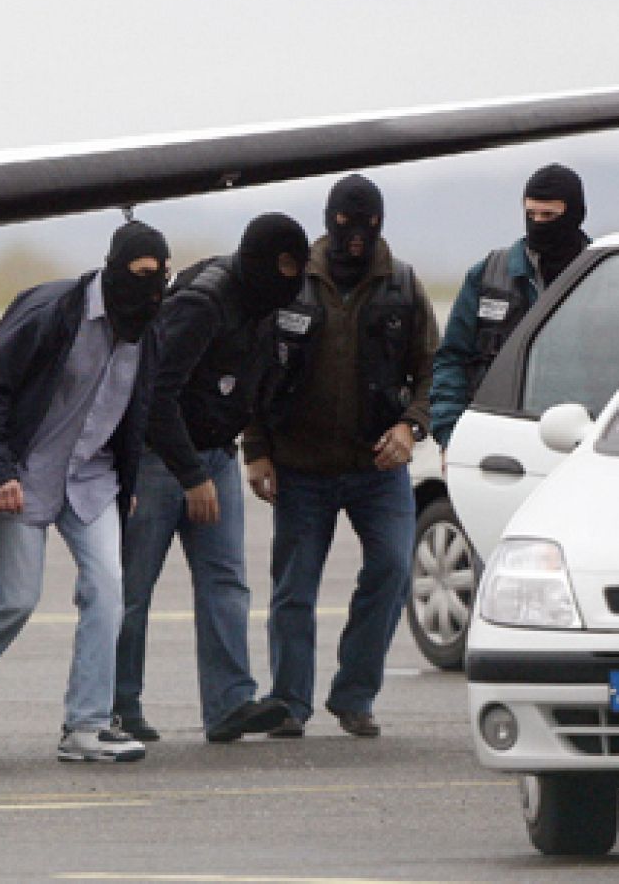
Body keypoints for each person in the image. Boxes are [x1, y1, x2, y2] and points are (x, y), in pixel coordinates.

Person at [0, 222, 170, 762]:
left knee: (108, 590)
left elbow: (140, 406)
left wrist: (127, 479)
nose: (152, 291)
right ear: (113, 268)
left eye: (161, 278)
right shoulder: (54, 313)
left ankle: (86, 726)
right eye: (142, 276)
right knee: (16, 598)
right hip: (24, 477)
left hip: (92, 480)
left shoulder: (148, 325)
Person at [243, 176, 439, 738]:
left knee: (393, 570)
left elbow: (432, 369)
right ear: (328, 221)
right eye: (347, 223)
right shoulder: (292, 282)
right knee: (294, 591)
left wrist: (411, 426)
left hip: (378, 469)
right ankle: (289, 702)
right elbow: (256, 368)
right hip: (300, 467)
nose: (357, 236)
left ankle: (354, 695)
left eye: (369, 224)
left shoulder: (402, 285)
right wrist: (256, 451)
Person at [113, 213, 308, 744]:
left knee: (226, 583)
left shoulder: (266, 306)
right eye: (285, 264)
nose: (293, 276)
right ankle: (115, 706)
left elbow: (256, 385)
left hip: (215, 457)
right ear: (263, 260)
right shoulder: (203, 305)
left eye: (299, 265)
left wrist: (253, 452)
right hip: (161, 462)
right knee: (132, 589)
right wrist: (191, 474)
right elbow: (154, 396)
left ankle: (228, 704)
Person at [430, 163, 590, 451]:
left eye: (549, 215)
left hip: (582, 442)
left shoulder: (602, 278)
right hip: (499, 440)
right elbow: (451, 360)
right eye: (531, 214)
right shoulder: (488, 275)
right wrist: (450, 437)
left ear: (575, 214)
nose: (539, 223)